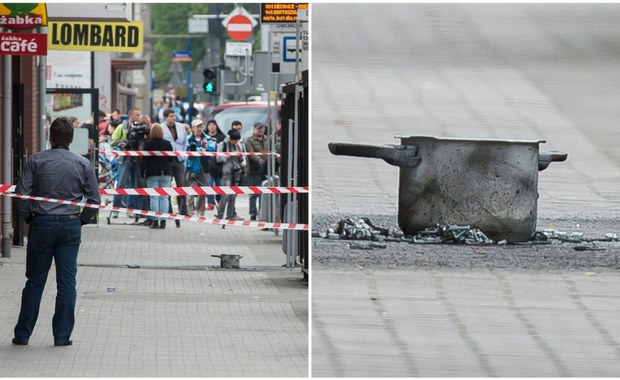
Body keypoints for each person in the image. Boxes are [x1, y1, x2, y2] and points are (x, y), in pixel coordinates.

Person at [12, 116, 100, 347]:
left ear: (50, 137)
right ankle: (62, 336)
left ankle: (23, 334)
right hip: (69, 226)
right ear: (71, 139)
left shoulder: (36, 160)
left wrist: (29, 216)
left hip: (41, 225)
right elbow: (94, 200)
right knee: (67, 282)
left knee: (34, 281)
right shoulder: (82, 164)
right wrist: (81, 220)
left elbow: (21, 195)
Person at [141, 123, 173, 229]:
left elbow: (144, 160)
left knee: (154, 197)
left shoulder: (147, 144)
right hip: (166, 172)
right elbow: (171, 159)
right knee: (164, 197)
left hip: (152, 173)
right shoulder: (167, 143)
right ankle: (163, 220)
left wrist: (142, 173)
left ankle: (155, 220)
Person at [161, 108, 189, 227]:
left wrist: (182, 152)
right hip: (167, 160)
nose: (173, 118)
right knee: (167, 185)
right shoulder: (161, 128)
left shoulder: (180, 127)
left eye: (174, 116)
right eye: (171, 116)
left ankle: (183, 210)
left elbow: (185, 142)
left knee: (181, 185)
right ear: (165, 117)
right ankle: (169, 210)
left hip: (179, 159)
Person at [215, 128, 246, 220]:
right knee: (226, 194)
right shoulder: (222, 144)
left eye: (237, 140)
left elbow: (241, 160)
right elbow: (218, 158)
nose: (236, 142)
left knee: (233, 195)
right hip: (226, 172)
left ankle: (230, 215)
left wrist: (240, 157)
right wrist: (228, 156)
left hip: (236, 171)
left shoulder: (238, 145)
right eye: (234, 140)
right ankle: (220, 215)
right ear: (230, 138)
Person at [185, 118, 213, 216]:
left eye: (201, 126)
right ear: (193, 128)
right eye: (197, 126)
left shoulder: (208, 138)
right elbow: (185, 149)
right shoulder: (188, 139)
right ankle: (189, 211)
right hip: (190, 166)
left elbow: (211, 149)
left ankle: (200, 211)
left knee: (203, 190)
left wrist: (199, 149)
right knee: (189, 190)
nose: (200, 128)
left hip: (203, 166)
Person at [245, 122, 269, 221]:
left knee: (263, 193)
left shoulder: (267, 139)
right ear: (254, 129)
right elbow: (251, 154)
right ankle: (253, 213)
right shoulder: (249, 140)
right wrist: (261, 161)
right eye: (259, 128)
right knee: (253, 193)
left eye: (262, 128)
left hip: (265, 170)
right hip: (253, 170)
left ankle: (262, 212)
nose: (261, 130)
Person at [204, 119, 225, 211]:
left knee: (219, 185)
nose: (212, 126)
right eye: (210, 125)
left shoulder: (222, 137)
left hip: (219, 165)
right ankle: (210, 203)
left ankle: (219, 203)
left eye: (214, 124)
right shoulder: (204, 137)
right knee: (209, 185)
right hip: (207, 165)